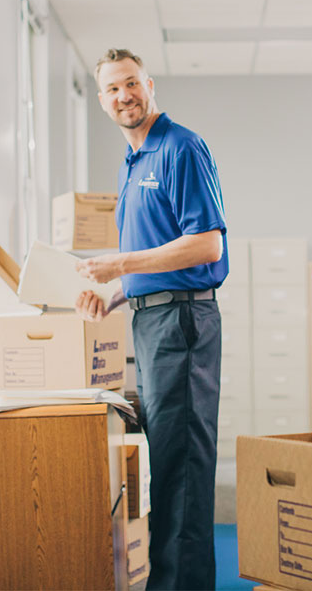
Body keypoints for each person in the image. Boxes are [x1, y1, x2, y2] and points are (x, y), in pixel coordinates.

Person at [74, 48, 228, 590]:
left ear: (150, 84)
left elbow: (207, 245)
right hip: (152, 322)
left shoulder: (180, 148)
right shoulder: (133, 161)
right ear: (101, 101)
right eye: (113, 89)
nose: (124, 96)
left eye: (131, 84)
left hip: (182, 326)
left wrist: (121, 263)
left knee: (182, 471)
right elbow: (159, 257)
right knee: (168, 467)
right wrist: (115, 292)